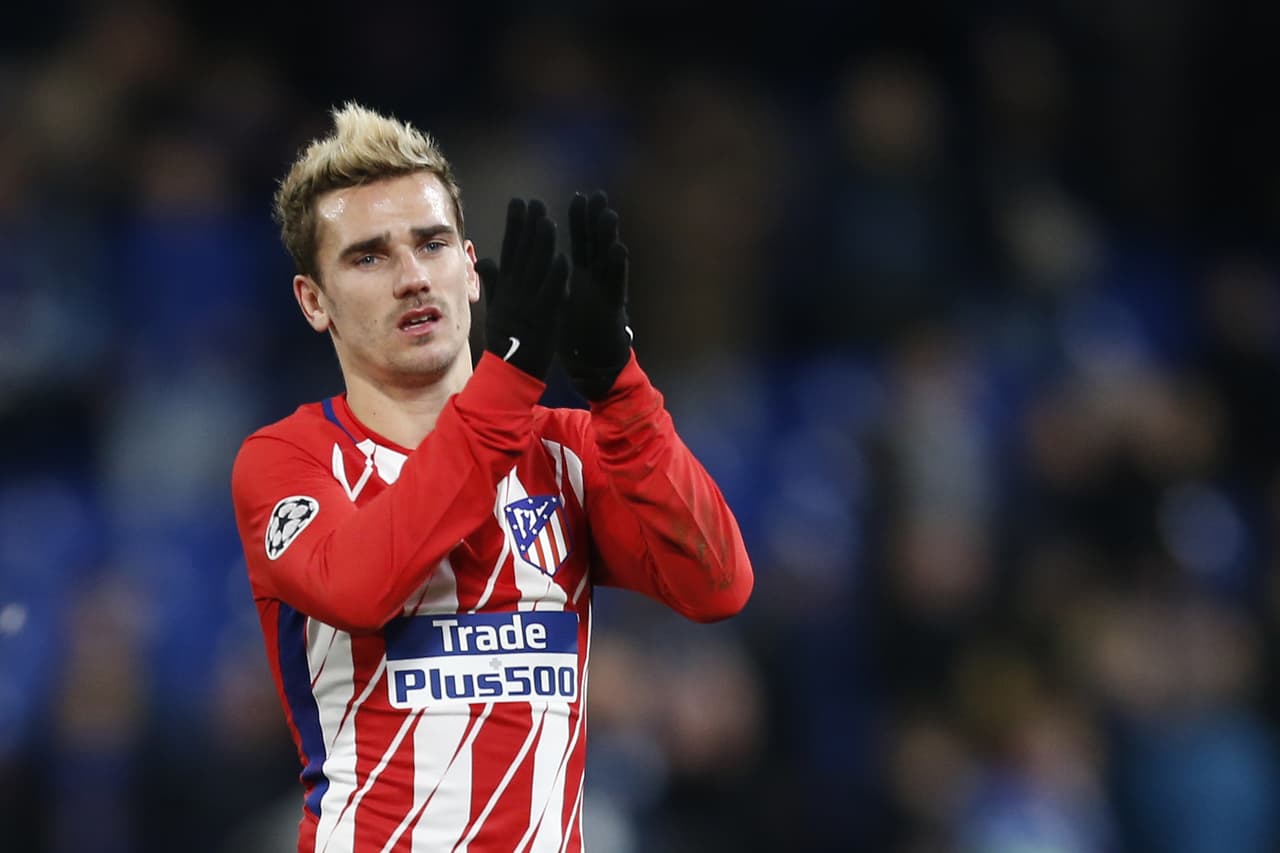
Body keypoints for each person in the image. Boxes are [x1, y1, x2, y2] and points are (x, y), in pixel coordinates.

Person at [229, 102, 754, 852]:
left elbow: (716, 583)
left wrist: (619, 385)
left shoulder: (564, 451)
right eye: (369, 257)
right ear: (314, 301)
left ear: (470, 269)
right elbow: (359, 588)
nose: (413, 277)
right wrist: (507, 382)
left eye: (432, 243)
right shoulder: (290, 458)